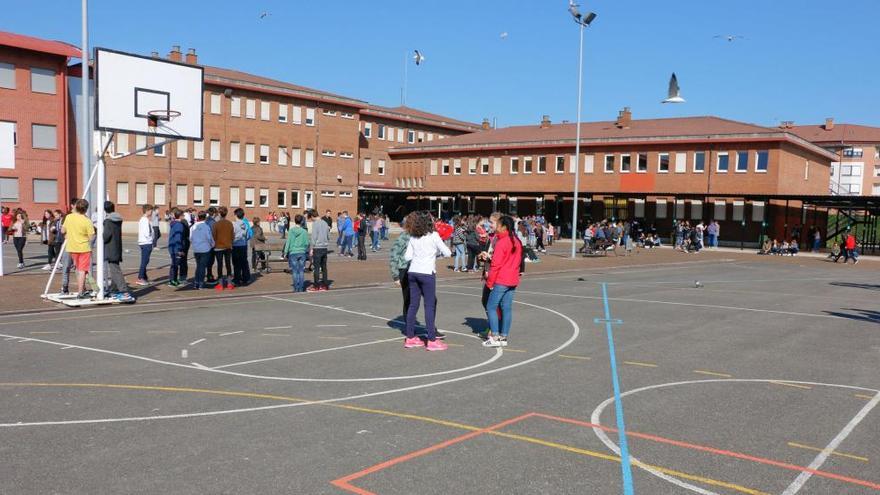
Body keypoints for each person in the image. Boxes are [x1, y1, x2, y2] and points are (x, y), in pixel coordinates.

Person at [402, 211, 451, 351]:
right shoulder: (434, 236)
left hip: (413, 272)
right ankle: (431, 340)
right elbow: (447, 252)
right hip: (427, 273)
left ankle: (410, 337)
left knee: (413, 305)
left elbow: (407, 257)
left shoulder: (413, 237)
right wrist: (435, 253)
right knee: (429, 306)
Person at [482, 215, 523, 348]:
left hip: (501, 279)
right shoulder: (516, 241)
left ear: (504, 227)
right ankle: (503, 337)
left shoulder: (502, 242)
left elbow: (495, 265)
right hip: (512, 279)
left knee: (491, 306)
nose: (496, 227)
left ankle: (494, 336)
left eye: (498, 225)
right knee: (506, 308)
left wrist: (490, 282)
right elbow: (518, 262)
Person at [61, 199, 95, 298]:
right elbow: (91, 236)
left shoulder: (69, 217)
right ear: (86, 209)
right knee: (82, 270)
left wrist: (69, 234)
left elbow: (63, 231)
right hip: (83, 248)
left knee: (79, 269)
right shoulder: (87, 221)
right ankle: (81, 292)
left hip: (72, 247)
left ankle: (83, 289)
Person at [102, 201, 133, 301]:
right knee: (114, 268)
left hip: (111, 247)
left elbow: (106, 236)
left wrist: (100, 234)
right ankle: (114, 288)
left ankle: (124, 291)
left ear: (105, 209)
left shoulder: (108, 221)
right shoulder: (118, 219)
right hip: (117, 246)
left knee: (115, 270)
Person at [283, 214, 310, 292]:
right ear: (301, 221)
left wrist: (285, 252)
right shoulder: (304, 231)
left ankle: (296, 287)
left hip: (293, 252)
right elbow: (307, 243)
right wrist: (305, 249)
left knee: (295, 271)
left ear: (294, 221)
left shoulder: (291, 231)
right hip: (302, 252)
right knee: (301, 271)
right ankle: (301, 288)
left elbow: (288, 242)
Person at [190, 211, 214, 290]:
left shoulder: (193, 226)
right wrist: (212, 244)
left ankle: (196, 283)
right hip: (205, 249)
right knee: (202, 267)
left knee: (198, 266)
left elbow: (190, 238)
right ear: (205, 218)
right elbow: (209, 238)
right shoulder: (206, 226)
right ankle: (201, 284)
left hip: (196, 249)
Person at [212, 206, 234, 290]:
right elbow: (232, 235)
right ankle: (229, 283)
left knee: (219, 265)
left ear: (219, 214)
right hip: (228, 246)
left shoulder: (216, 224)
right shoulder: (230, 223)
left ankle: (220, 284)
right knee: (228, 264)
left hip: (218, 247)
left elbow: (213, 236)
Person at [309, 209, 331, 291]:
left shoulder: (315, 224)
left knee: (317, 268)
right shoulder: (325, 223)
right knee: (324, 267)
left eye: (311, 218)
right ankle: (325, 285)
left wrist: (311, 248)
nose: (311, 220)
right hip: (324, 248)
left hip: (317, 248)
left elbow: (313, 237)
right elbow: (329, 236)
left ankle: (316, 286)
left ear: (312, 216)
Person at [231, 208, 251, 287]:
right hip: (244, 245)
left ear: (236, 215)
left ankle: (237, 279)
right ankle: (246, 278)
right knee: (244, 262)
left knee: (236, 263)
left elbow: (232, 235)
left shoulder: (234, 224)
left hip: (236, 245)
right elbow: (248, 235)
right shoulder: (245, 224)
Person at [167, 209, 186, 287]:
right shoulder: (179, 225)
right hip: (175, 247)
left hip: (172, 246)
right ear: (180, 216)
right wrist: (179, 250)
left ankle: (173, 279)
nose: (184, 216)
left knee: (174, 264)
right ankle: (172, 280)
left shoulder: (174, 223)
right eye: (183, 215)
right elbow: (178, 237)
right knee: (175, 265)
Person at [136, 205, 153, 286]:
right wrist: (151, 237)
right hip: (146, 242)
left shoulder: (143, 219)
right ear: (147, 211)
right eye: (151, 210)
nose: (152, 212)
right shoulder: (145, 220)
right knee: (145, 261)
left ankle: (144, 277)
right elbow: (147, 232)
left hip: (143, 242)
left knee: (145, 260)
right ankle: (140, 277)